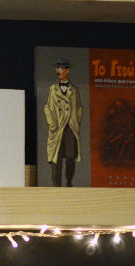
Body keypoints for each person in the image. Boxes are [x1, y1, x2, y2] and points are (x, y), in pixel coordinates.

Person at [44, 58, 83, 187]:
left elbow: (79, 108)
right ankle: (56, 185)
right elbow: (47, 107)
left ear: (67, 71)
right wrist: (51, 122)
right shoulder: (52, 89)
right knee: (57, 156)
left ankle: (69, 182)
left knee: (71, 155)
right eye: (57, 68)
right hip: (57, 127)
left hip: (70, 127)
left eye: (60, 68)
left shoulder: (75, 90)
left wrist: (76, 122)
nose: (58, 71)